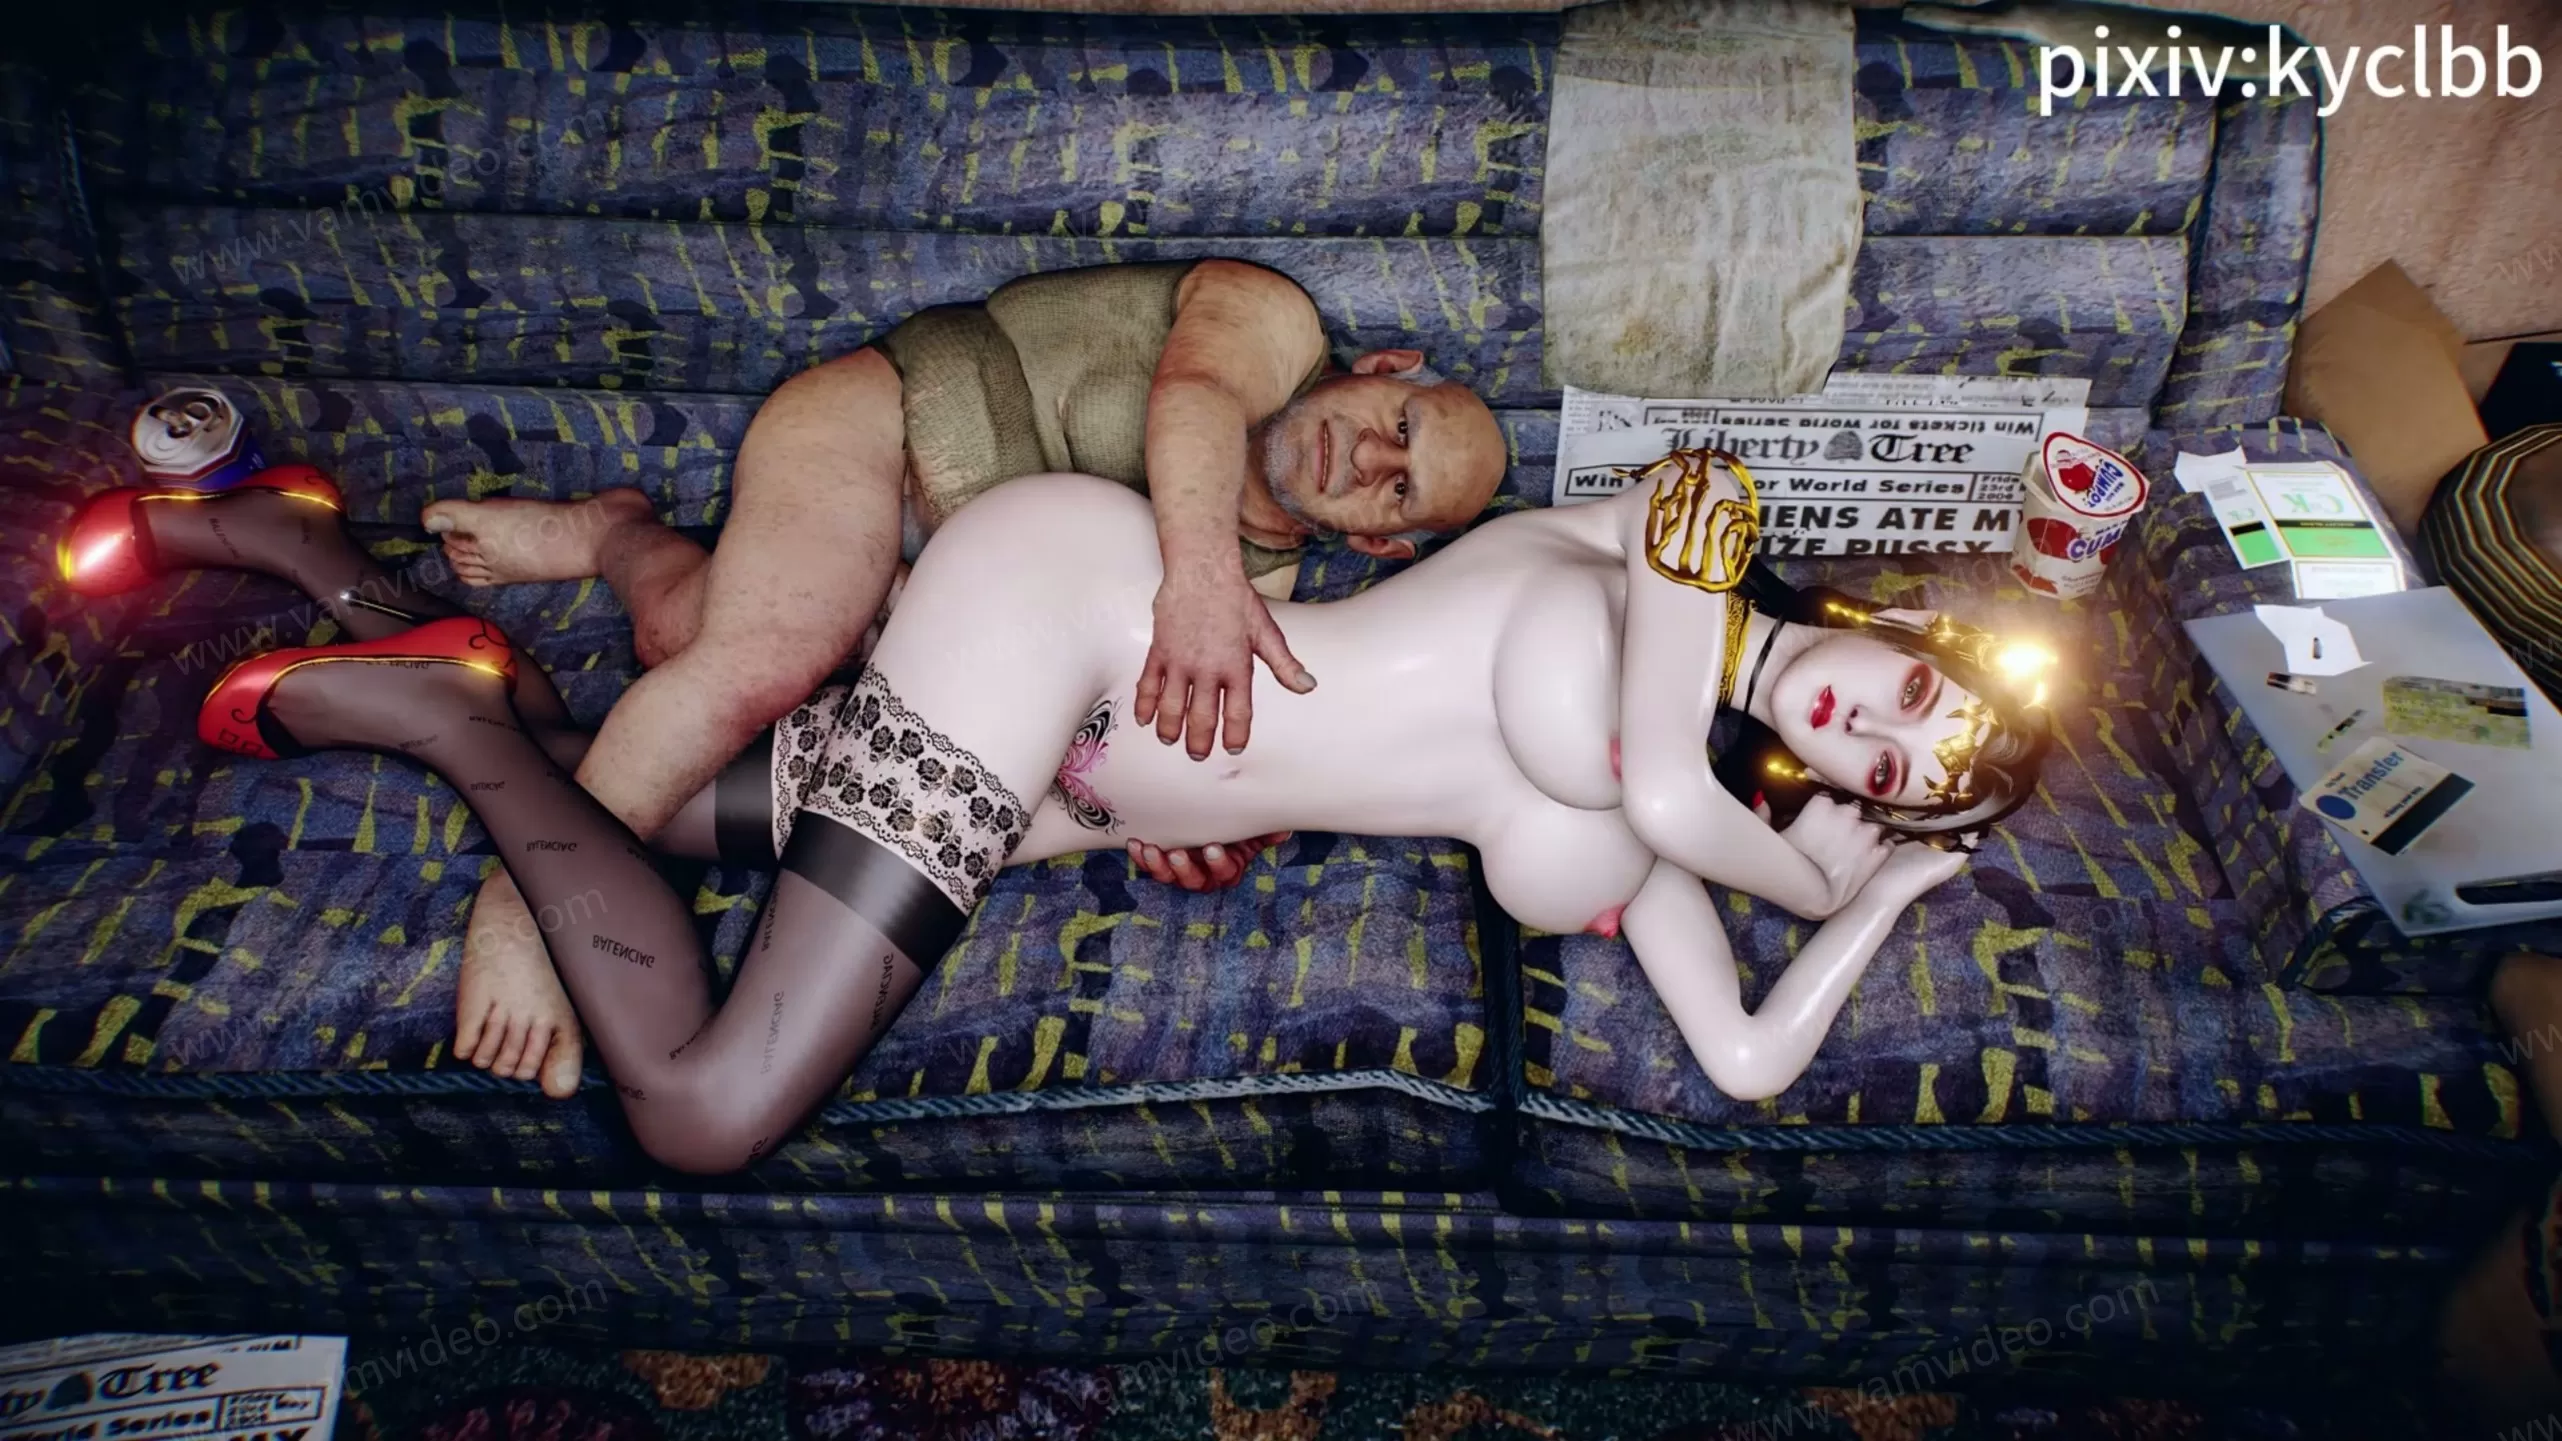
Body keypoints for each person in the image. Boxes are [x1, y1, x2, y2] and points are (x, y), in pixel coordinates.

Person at [189, 447, 2054, 1174]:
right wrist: (1823, 869)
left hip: (1055, 779)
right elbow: (1651, 770)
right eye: (1910, 694)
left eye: (1891, 772)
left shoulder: (1673, 816)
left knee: (652, 818)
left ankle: (344, 579)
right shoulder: (1680, 533)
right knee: (704, 1107)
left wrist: (1886, 899)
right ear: (1898, 625)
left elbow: (1743, 1062)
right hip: (1065, 613)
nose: (1867, 734)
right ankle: (447, 719)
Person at [92, 261, 1512, 1094]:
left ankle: (619, 537)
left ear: (1381, 548)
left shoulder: (1268, 610)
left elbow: (1088, 735)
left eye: (1400, 488)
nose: (1369, 456)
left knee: (699, 653)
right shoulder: (1270, 321)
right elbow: (1190, 399)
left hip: (921, 602)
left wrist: (1175, 823)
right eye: (1400, 417)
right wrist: (1195, 580)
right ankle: (523, 913)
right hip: (889, 432)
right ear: (1382, 364)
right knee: (766, 657)